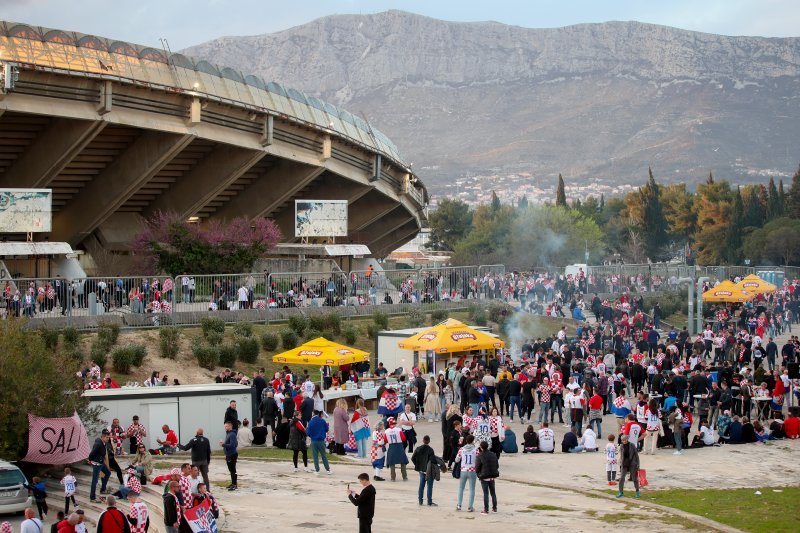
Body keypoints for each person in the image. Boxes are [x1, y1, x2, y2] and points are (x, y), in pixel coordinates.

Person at [411, 435, 438, 506]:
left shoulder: (418, 448)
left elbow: (413, 458)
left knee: (421, 486)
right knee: (429, 486)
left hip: (421, 470)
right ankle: (429, 502)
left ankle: (420, 501)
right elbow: (433, 460)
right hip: (428, 470)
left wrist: (417, 465)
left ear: (423, 440)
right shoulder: (430, 450)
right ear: (429, 441)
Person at [475, 440, 500, 514]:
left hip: (484, 476)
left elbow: (477, 467)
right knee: (493, 493)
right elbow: (497, 465)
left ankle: (486, 509)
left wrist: (479, 475)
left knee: (486, 493)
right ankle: (494, 508)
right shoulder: (493, 454)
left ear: (481, 447)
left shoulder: (480, 455)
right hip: (492, 475)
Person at [455, 434, 478, 512]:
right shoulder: (476, 449)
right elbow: (479, 459)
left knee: (461, 488)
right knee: (472, 489)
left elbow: (457, 460)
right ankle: (470, 507)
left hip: (463, 470)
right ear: (473, 441)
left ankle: (459, 505)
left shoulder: (462, 449)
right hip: (472, 470)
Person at [89, 429, 112, 502]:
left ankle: (103, 489)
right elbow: (92, 453)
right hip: (97, 464)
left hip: (101, 463)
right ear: (103, 437)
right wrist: (91, 460)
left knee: (108, 473)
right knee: (95, 480)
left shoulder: (104, 443)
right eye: (107, 437)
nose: (108, 439)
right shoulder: (98, 444)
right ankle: (92, 498)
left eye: (108, 437)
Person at [307, 411, 332, 475]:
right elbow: (327, 429)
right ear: (318, 414)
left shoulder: (311, 422)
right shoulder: (322, 421)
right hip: (321, 440)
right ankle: (328, 470)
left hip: (314, 441)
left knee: (315, 456)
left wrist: (312, 436)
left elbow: (308, 432)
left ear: (313, 414)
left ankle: (317, 470)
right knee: (324, 455)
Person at [384, 417, 408, 481]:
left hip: (391, 447)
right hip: (399, 446)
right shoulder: (398, 429)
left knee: (392, 463)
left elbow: (385, 440)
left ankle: (393, 478)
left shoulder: (386, 431)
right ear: (394, 423)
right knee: (403, 462)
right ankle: (404, 477)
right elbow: (403, 438)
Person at [617, 434, 640, 498]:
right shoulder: (621, 446)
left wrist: (638, 464)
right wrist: (620, 464)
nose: (623, 441)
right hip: (624, 463)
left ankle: (637, 491)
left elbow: (636, 455)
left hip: (632, 463)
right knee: (621, 478)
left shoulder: (632, 445)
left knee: (634, 478)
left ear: (627, 439)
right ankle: (620, 492)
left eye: (624, 440)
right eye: (622, 440)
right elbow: (621, 456)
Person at [220, 421, 238, 490]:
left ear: (230, 426)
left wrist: (223, 445)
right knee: (231, 470)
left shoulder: (232, 434)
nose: (225, 428)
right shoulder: (228, 434)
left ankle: (235, 485)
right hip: (228, 454)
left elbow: (232, 445)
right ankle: (232, 483)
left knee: (233, 470)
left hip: (232, 454)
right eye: (225, 426)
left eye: (226, 426)